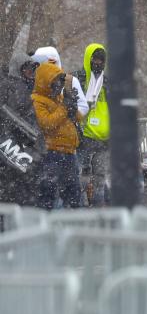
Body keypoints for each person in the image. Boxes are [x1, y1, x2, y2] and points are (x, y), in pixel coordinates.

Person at [32, 61, 83, 209]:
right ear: (46, 82)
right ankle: (45, 223)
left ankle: (72, 222)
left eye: (61, 82)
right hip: (52, 153)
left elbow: (78, 118)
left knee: (73, 193)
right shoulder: (38, 100)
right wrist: (65, 107)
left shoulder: (59, 99)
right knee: (49, 192)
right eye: (56, 81)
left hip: (69, 153)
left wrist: (72, 106)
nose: (59, 86)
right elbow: (47, 124)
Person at [0, 53, 40, 205]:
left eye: (32, 70)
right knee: (15, 191)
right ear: (18, 70)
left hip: (17, 144)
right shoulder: (12, 87)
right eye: (28, 70)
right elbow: (11, 117)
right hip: (10, 143)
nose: (31, 74)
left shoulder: (25, 88)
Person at [74, 43, 110, 207]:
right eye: (95, 59)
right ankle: (81, 211)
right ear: (88, 59)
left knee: (100, 178)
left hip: (103, 139)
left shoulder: (107, 82)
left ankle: (98, 210)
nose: (98, 63)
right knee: (82, 177)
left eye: (101, 60)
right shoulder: (78, 79)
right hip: (84, 137)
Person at [32, 47, 88, 118]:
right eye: (43, 63)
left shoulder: (69, 81)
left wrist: (69, 110)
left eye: (52, 62)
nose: (49, 66)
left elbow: (83, 107)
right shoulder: (33, 80)